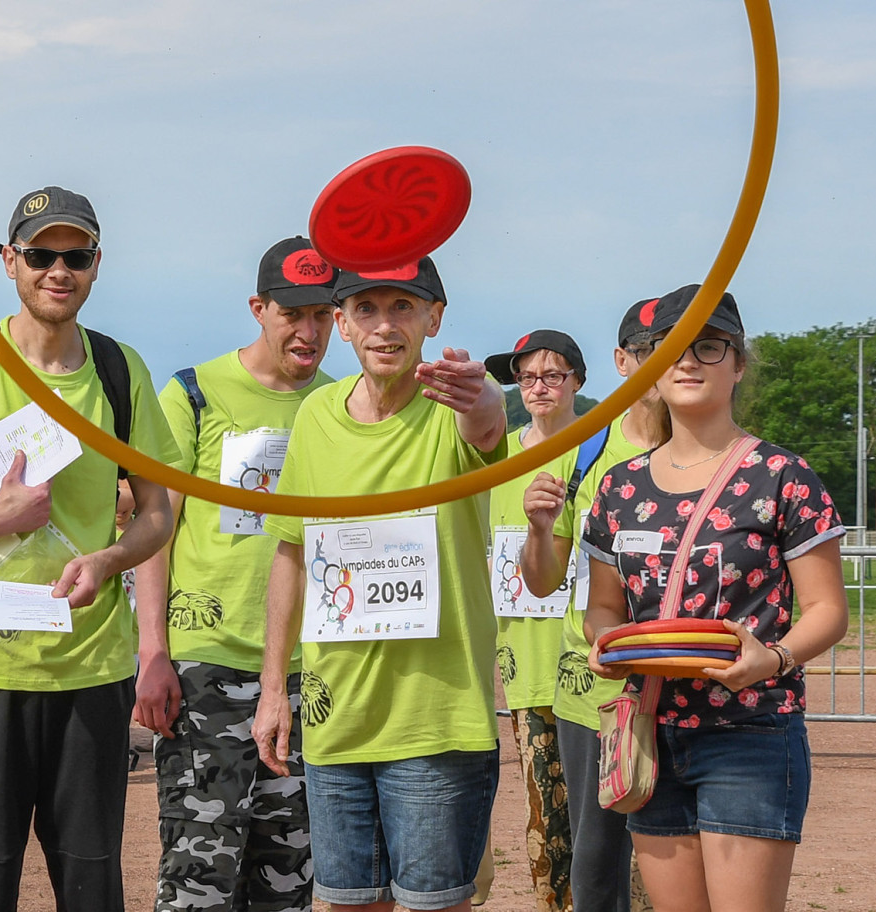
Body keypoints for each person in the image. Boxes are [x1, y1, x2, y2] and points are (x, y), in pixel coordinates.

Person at [0, 186, 178, 912]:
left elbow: (159, 512)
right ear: (9, 261)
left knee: (91, 881)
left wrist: (108, 559)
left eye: (75, 256)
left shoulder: (119, 370)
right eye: (42, 253)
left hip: (90, 667)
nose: (58, 269)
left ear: (96, 265)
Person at [579, 284, 849, 912]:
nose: (687, 362)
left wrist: (774, 659)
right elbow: (604, 608)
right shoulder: (617, 487)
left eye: (709, 346)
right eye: (669, 348)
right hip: (651, 726)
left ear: (738, 363)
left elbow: (829, 610)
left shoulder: (782, 475)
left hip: (748, 731)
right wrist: (605, 645)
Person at [252, 256, 507, 912]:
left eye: (403, 307)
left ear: (434, 318)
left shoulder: (451, 404)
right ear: (340, 323)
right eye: (366, 309)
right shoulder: (314, 417)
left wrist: (484, 396)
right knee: (345, 904)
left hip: (435, 719)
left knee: (433, 905)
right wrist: (274, 691)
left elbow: (486, 423)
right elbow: (291, 552)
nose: (385, 325)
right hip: (340, 719)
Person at [133, 236, 338, 912]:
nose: (309, 332)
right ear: (259, 308)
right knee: (199, 874)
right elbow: (156, 532)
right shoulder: (193, 393)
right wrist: (154, 652)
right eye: (293, 314)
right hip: (207, 668)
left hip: (312, 672)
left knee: (290, 874)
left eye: (323, 315)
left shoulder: (341, 407)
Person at [520, 301, 663, 912]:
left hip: (688, 688)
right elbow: (544, 579)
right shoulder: (585, 450)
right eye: (647, 351)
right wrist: (538, 529)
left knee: (680, 858)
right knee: (597, 868)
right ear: (621, 360)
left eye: (679, 348)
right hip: (595, 693)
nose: (663, 365)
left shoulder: (715, 452)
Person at [481, 329, 589, 912]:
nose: (538, 386)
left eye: (552, 375)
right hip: (525, 667)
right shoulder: (497, 455)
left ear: (578, 380)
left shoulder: (602, 448)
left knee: (611, 812)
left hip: (592, 664)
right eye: (525, 377)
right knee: (546, 819)